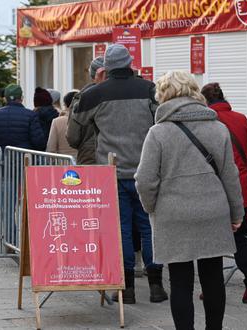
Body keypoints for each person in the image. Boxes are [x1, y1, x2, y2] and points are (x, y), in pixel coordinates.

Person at [135, 70, 244, 330]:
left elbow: (145, 180)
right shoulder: (218, 129)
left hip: (173, 213)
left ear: (163, 95)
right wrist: (236, 212)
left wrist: (152, 207)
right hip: (213, 211)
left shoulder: (158, 133)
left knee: (181, 281)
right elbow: (231, 175)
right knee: (213, 277)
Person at [67, 44, 167, 304]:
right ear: (130, 62)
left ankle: (127, 288)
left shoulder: (94, 95)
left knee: (120, 229)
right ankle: (156, 285)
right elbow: (163, 124)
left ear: (106, 68)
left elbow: (74, 137)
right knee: (149, 227)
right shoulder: (150, 90)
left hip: (110, 172)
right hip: (146, 170)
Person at [201, 82, 247, 303]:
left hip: (218, 185)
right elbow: (246, 149)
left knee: (213, 237)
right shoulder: (241, 118)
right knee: (239, 234)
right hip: (242, 183)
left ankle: (212, 285)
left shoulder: (207, 121)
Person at [67, 56, 105, 165]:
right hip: (116, 157)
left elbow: (72, 137)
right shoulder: (116, 95)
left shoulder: (80, 98)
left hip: (88, 156)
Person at [0, 84, 46, 151]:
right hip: (24, 158)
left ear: (5, 99)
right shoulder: (31, 115)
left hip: (2, 159)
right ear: (21, 98)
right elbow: (39, 143)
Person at [46, 91, 78, 158]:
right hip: (84, 163)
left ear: (65, 105)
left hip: (62, 163)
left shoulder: (57, 121)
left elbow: (51, 149)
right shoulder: (87, 120)